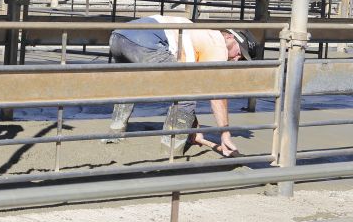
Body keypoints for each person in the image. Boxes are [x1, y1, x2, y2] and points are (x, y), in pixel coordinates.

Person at [105, 15, 255, 157]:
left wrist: (193, 127)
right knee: (186, 97)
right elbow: (217, 95)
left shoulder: (198, 36)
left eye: (240, 58)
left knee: (129, 83)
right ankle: (171, 150)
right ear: (229, 37)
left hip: (119, 37)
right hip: (144, 42)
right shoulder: (217, 43)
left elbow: (183, 81)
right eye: (239, 52)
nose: (236, 59)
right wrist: (225, 134)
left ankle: (116, 131)